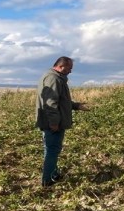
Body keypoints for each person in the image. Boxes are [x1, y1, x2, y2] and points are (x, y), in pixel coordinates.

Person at [35, 56, 89, 187]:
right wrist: (54, 122)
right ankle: (47, 181)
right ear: (61, 66)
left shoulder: (55, 77)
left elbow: (61, 100)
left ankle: (53, 174)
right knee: (52, 150)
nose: (70, 71)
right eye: (69, 68)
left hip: (54, 121)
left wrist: (76, 106)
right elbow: (50, 103)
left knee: (51, 149)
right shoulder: (53, 78)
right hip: (53, 123)